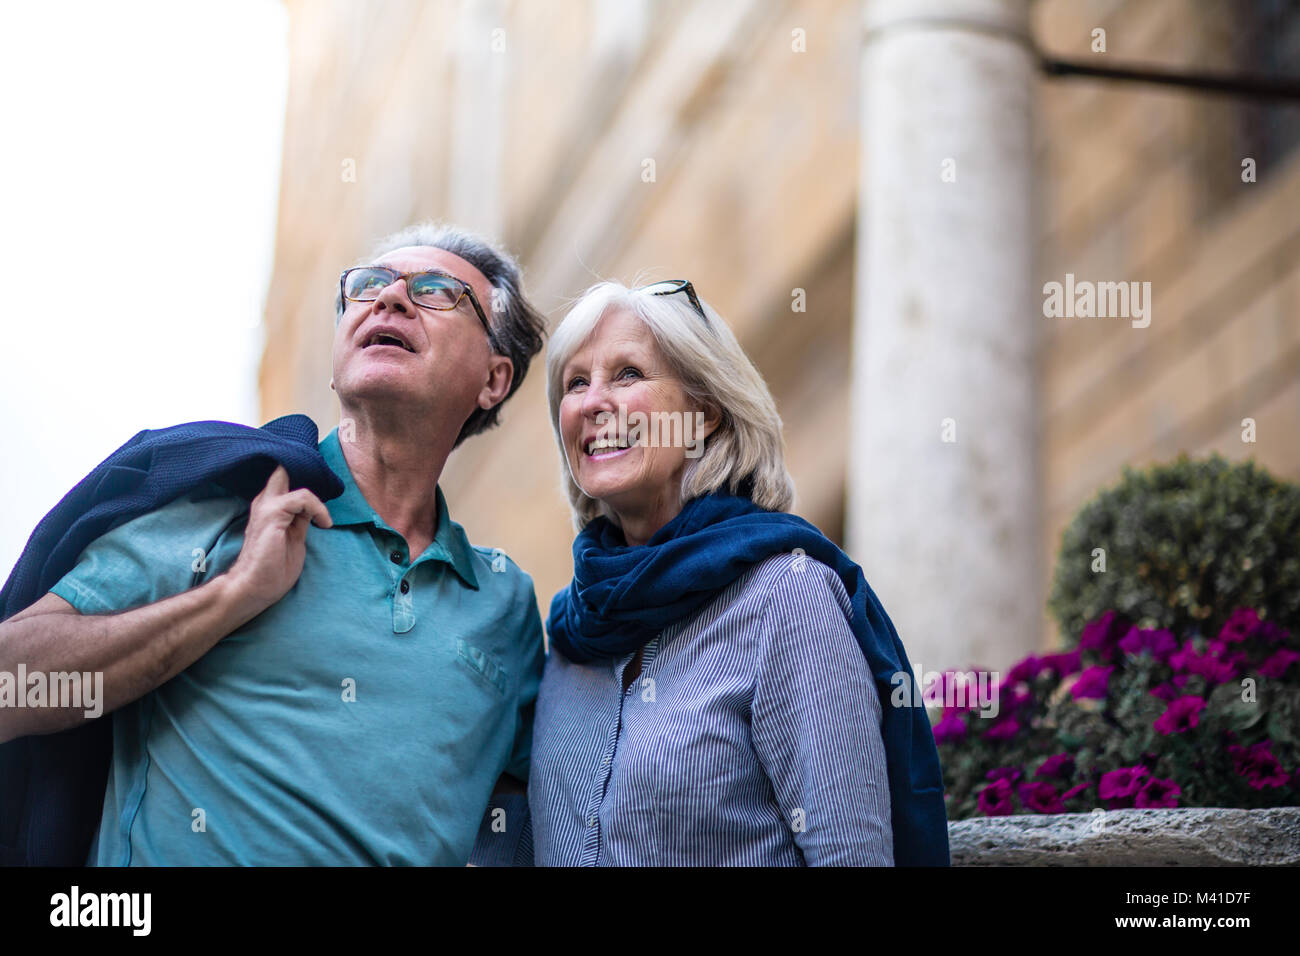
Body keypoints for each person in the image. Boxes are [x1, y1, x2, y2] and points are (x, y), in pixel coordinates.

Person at [0, 222, 548, 865]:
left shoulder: (506, 605)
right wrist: (232, 596)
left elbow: (527, 802)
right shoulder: (234, 501)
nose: (388, 300)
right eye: (368, 286)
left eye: (436, 292)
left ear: (493, 379)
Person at [528, 279, 950, 866]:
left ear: (704, 416)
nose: (595, 401)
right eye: (576, 382)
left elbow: (850, 854)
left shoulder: (788, 596)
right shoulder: (569, 637)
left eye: (628, 374)